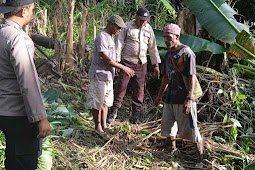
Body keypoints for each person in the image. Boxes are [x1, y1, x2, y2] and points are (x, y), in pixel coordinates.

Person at [0, 0, 51, 169]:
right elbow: (27, 80)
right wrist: (40, 117)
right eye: (32, 10)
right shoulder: (17, 38)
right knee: (23, 161)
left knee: (12, 158)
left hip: (3, 110)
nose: (32, 14)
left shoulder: (1, 34)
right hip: (18, 113)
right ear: (23, 11)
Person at [154, 24, 204, 163]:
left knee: (192, 131)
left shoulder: (186, 53)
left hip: (183, 98)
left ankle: (200, 158)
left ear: (177, 37)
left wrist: (189, 98)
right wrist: (159, 95)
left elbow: (191, 76)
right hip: (170, 97)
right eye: (164, 37)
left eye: (168, 37)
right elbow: (165, 77)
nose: (165, 40)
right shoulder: (169, 53)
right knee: (168, 127)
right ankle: (172, 151)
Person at [107, 8, 161, 124]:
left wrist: (156, 64)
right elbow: (119, 44)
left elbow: (153, 48)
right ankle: (113, 111)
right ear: (136, 17)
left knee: (139, 89)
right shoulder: (126, 26)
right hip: (127, 62)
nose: (143, 22)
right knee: (121, 86)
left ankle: (135, 115)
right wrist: (117, 62)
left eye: (145, 20)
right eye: (141, 20)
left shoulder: (148, 29)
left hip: (141, 64)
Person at [86, 15, 135, 133]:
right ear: (111, 25)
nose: (119, 30)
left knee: (106, 102)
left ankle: (104, 125)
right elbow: (106, 59)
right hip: (99, 74)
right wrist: (123, 67)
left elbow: (112, 57)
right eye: (118, 27)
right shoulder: (101, 37)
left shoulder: (110, 37)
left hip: (108, 75)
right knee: (97, 102)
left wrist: (117, 66)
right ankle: (97, 126)